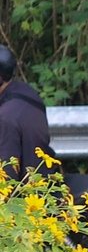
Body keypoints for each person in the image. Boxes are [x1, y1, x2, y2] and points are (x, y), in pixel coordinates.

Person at [0, 46, 49, 180]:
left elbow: (6, 175)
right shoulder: (26, 92)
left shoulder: (5, 118)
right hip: (41, 181)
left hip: (24, 196)